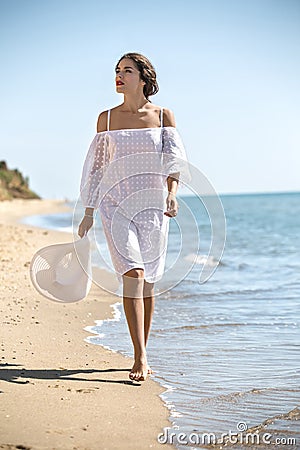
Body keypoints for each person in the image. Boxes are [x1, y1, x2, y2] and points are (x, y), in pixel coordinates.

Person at [78, 52, 189, 382]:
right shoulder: (106, 120)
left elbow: (174, 160)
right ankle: (139, 356)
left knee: (150, 281)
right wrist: (89, 210)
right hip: (115, 207)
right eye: (117, 70)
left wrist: (172, 193)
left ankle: (144, 348)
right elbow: (96, 168)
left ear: (143, 77)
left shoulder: (162, 115)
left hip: (153, 206)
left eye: (127, 70)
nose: (119, 75)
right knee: (134, 275)